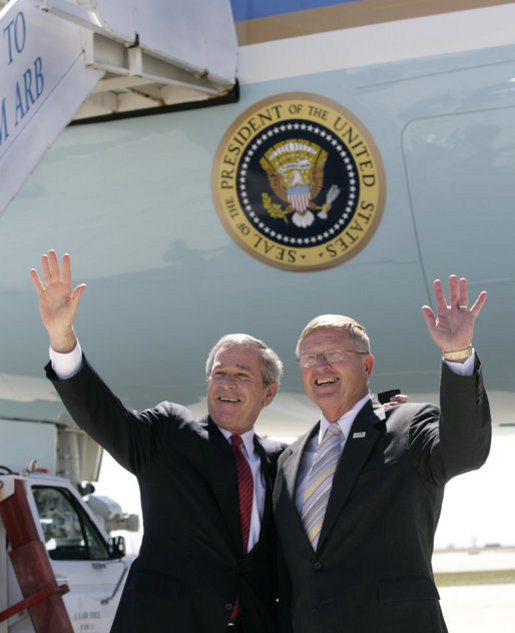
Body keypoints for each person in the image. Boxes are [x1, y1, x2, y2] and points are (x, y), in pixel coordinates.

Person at [31, 250, 285, 633]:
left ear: (269, 393)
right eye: (219, 373)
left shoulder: (284, 461)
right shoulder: (171, 434)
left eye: (241, 375)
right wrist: (62, 339)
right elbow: (105, 418)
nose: (227, 384)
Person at [272, 275, 491, 633]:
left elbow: (465, 451)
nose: (321, 366)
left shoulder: (406, 427)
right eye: (309, 358)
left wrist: (457, 354)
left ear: (367, 366)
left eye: (335, 354)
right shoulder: (289, 459)